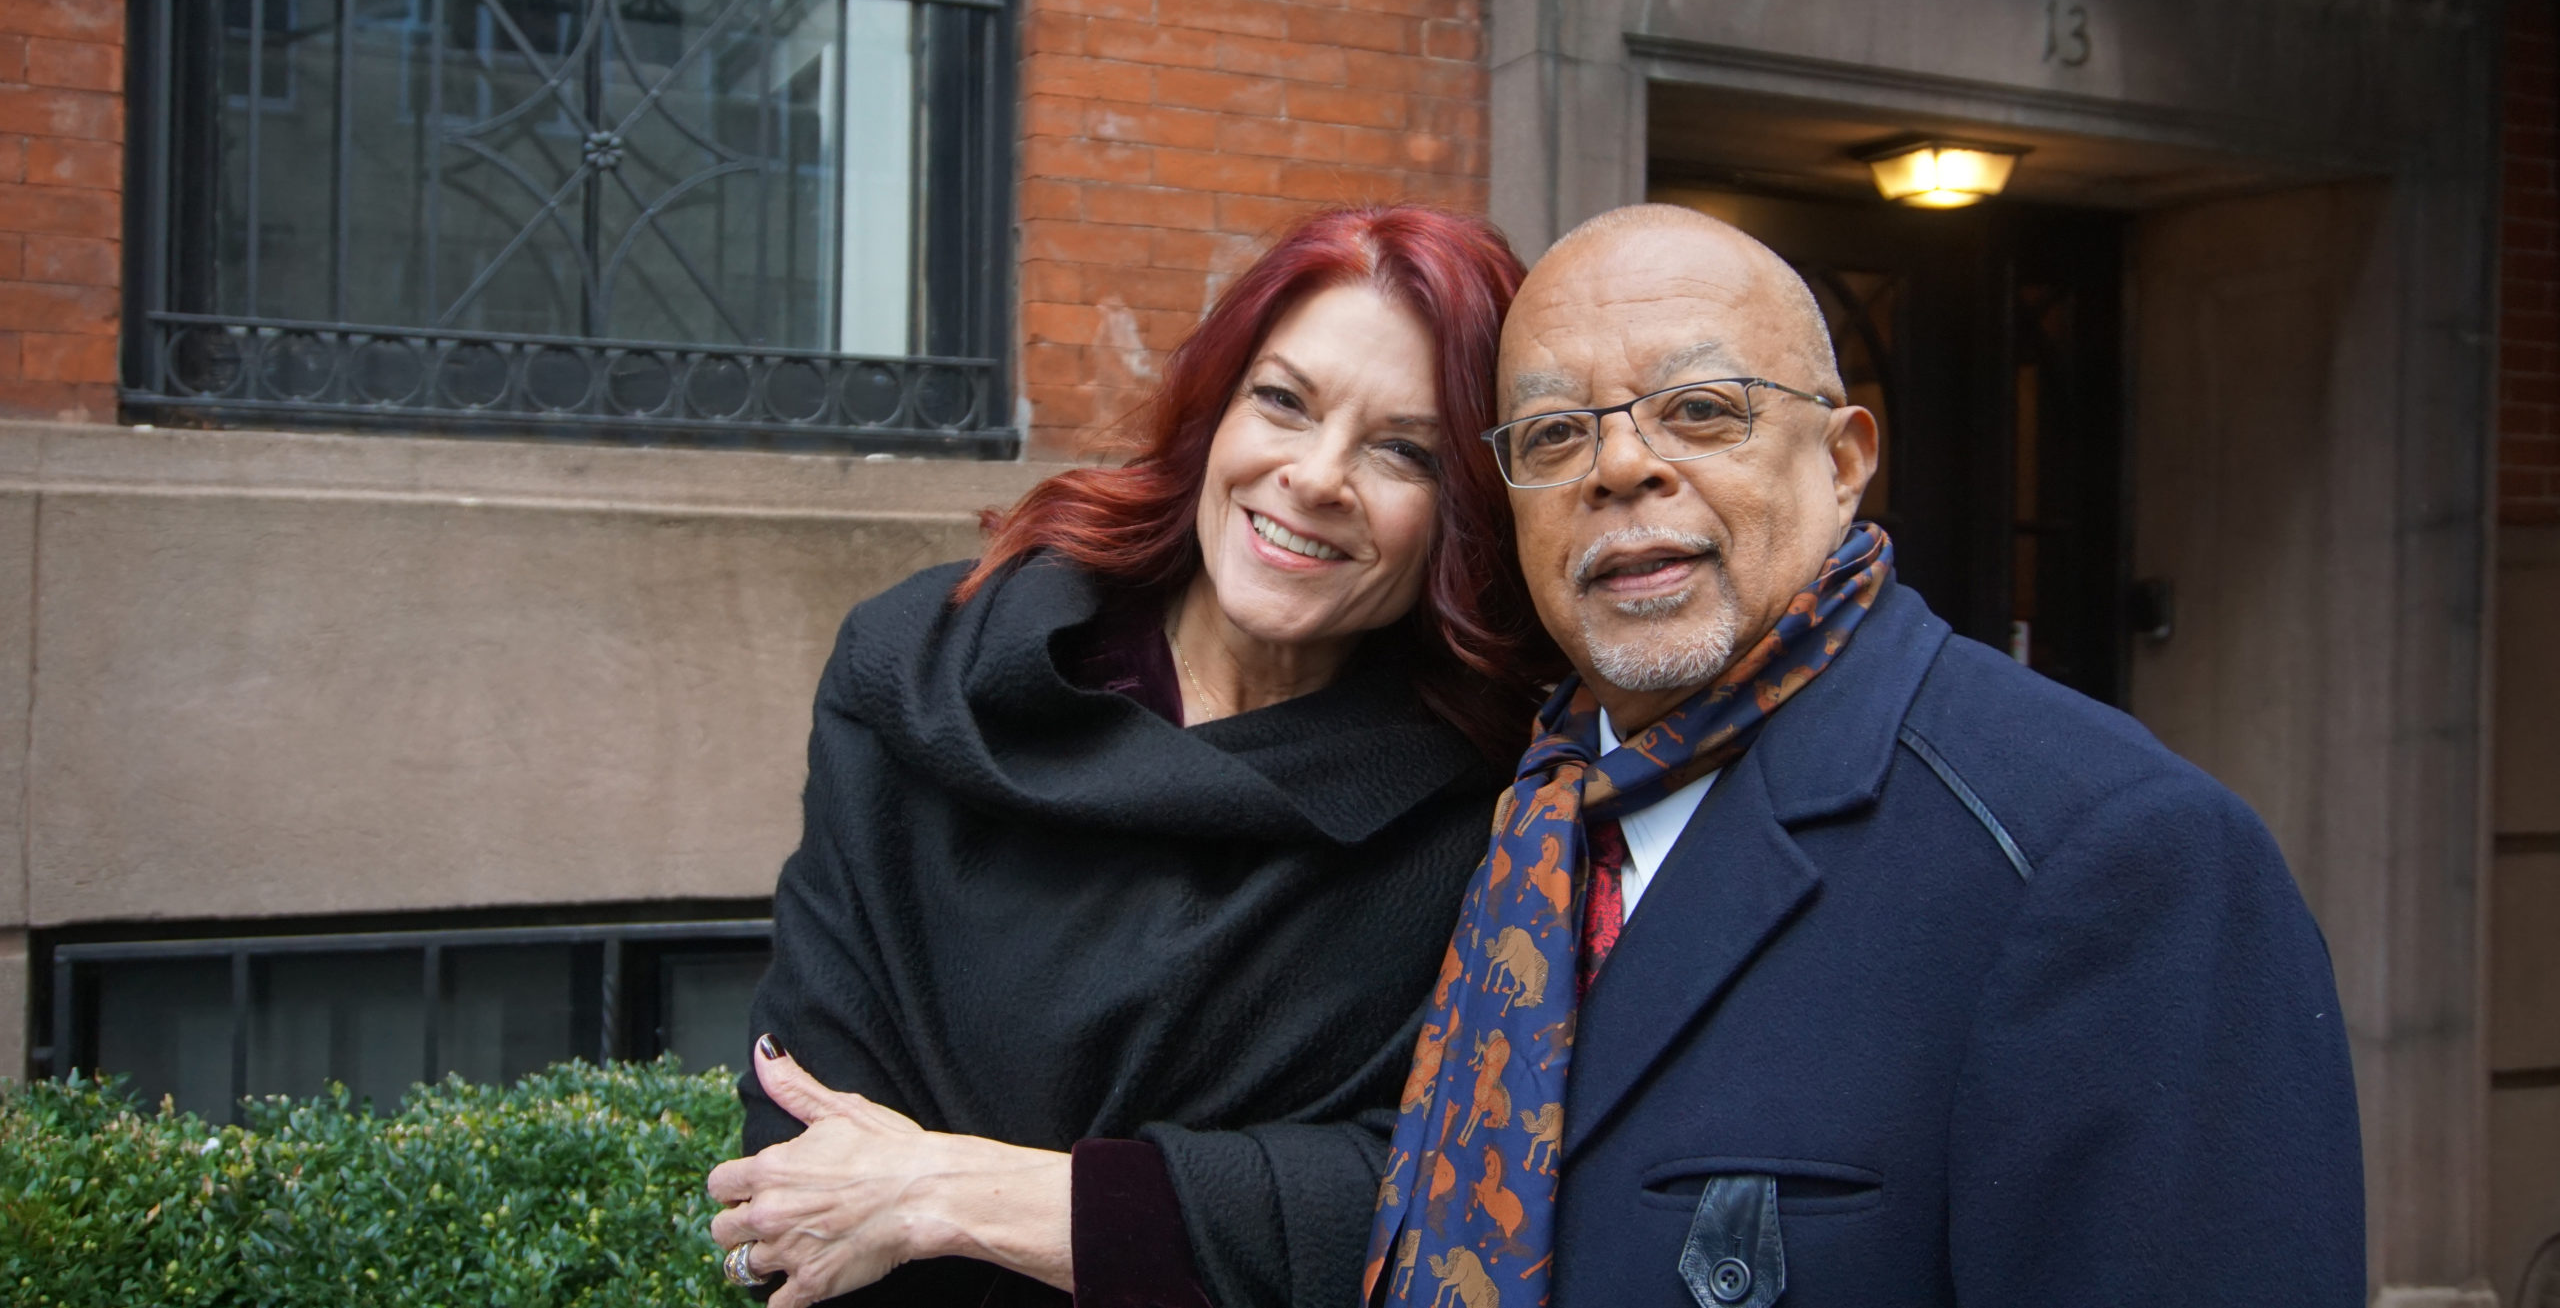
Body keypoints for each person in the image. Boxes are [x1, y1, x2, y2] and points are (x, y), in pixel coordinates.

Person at [1365, 203, 2365, 1307]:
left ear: (1843, 461)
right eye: (1553, 434)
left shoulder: (2113, 856)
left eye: (1700, 409)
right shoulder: (1522, 827)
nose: (1618, 466)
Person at [705, 206, 1557, 1308]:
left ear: (1465, 517)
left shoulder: (1480, 819)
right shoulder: (924, 670)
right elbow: (799, 1155)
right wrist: (1182, 1216)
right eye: (1283, 402)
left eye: (1404, 450)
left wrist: (948, 1192)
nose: (1315, 475)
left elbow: (1414, 1202)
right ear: (1215, 411)